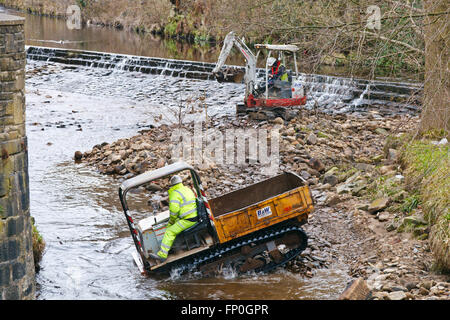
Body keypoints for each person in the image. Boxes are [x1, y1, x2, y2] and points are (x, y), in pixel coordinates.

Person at [149, 175, 198, 262]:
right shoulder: (187, 189)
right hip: (193, 216)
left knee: (170, 231)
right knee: (174, 226)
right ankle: (174, 246)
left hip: (188, 220)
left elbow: (174, 211)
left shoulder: (175, 193)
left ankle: (162, 255)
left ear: (172, 184)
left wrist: (171, 222)